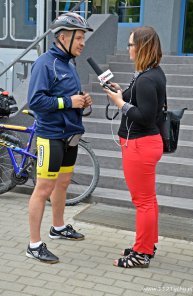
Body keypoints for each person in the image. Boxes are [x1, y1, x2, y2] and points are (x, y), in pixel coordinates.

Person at [26, 12, 93, 264]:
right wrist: (68, 101)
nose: (82, 43)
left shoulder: (69, 63)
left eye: (84, 38)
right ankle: (33, 244)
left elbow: (68, 98)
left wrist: (81, 100)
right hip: (50, 137)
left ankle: (58, 227)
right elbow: (35, 101)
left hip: (71, 135)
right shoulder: (45, 63)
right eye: (79, 37)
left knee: (63, 183)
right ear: (63, 37)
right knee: (43, 189)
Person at [104, 26, 166, 268]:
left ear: (142, 47)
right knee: (147, 200)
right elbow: (136, 97)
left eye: (130, 44)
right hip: (142, 144)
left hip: (140, 145)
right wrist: (120, 92)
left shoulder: (148, 78)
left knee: (143, 202)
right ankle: (147, 245)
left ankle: (141, 253)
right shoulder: (149, 73)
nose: (128, 49)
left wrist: (120, 103)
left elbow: (146, 116)